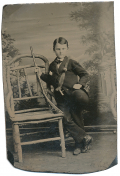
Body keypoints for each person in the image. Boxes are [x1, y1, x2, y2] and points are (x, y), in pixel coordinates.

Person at [41, 37, 93, 155]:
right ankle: (85, 137)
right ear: (54, 50)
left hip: (73, 96)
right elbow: (51, 80)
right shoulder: (52, 65)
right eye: (58, 49)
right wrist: (41, 76)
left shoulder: (71, 62)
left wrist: (80, 84)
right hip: (61, 98)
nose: (61, 51)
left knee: (77, 118)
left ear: (67, 49)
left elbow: (85, 74)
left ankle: (79, 145)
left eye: (63, 49)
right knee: (65, 118)